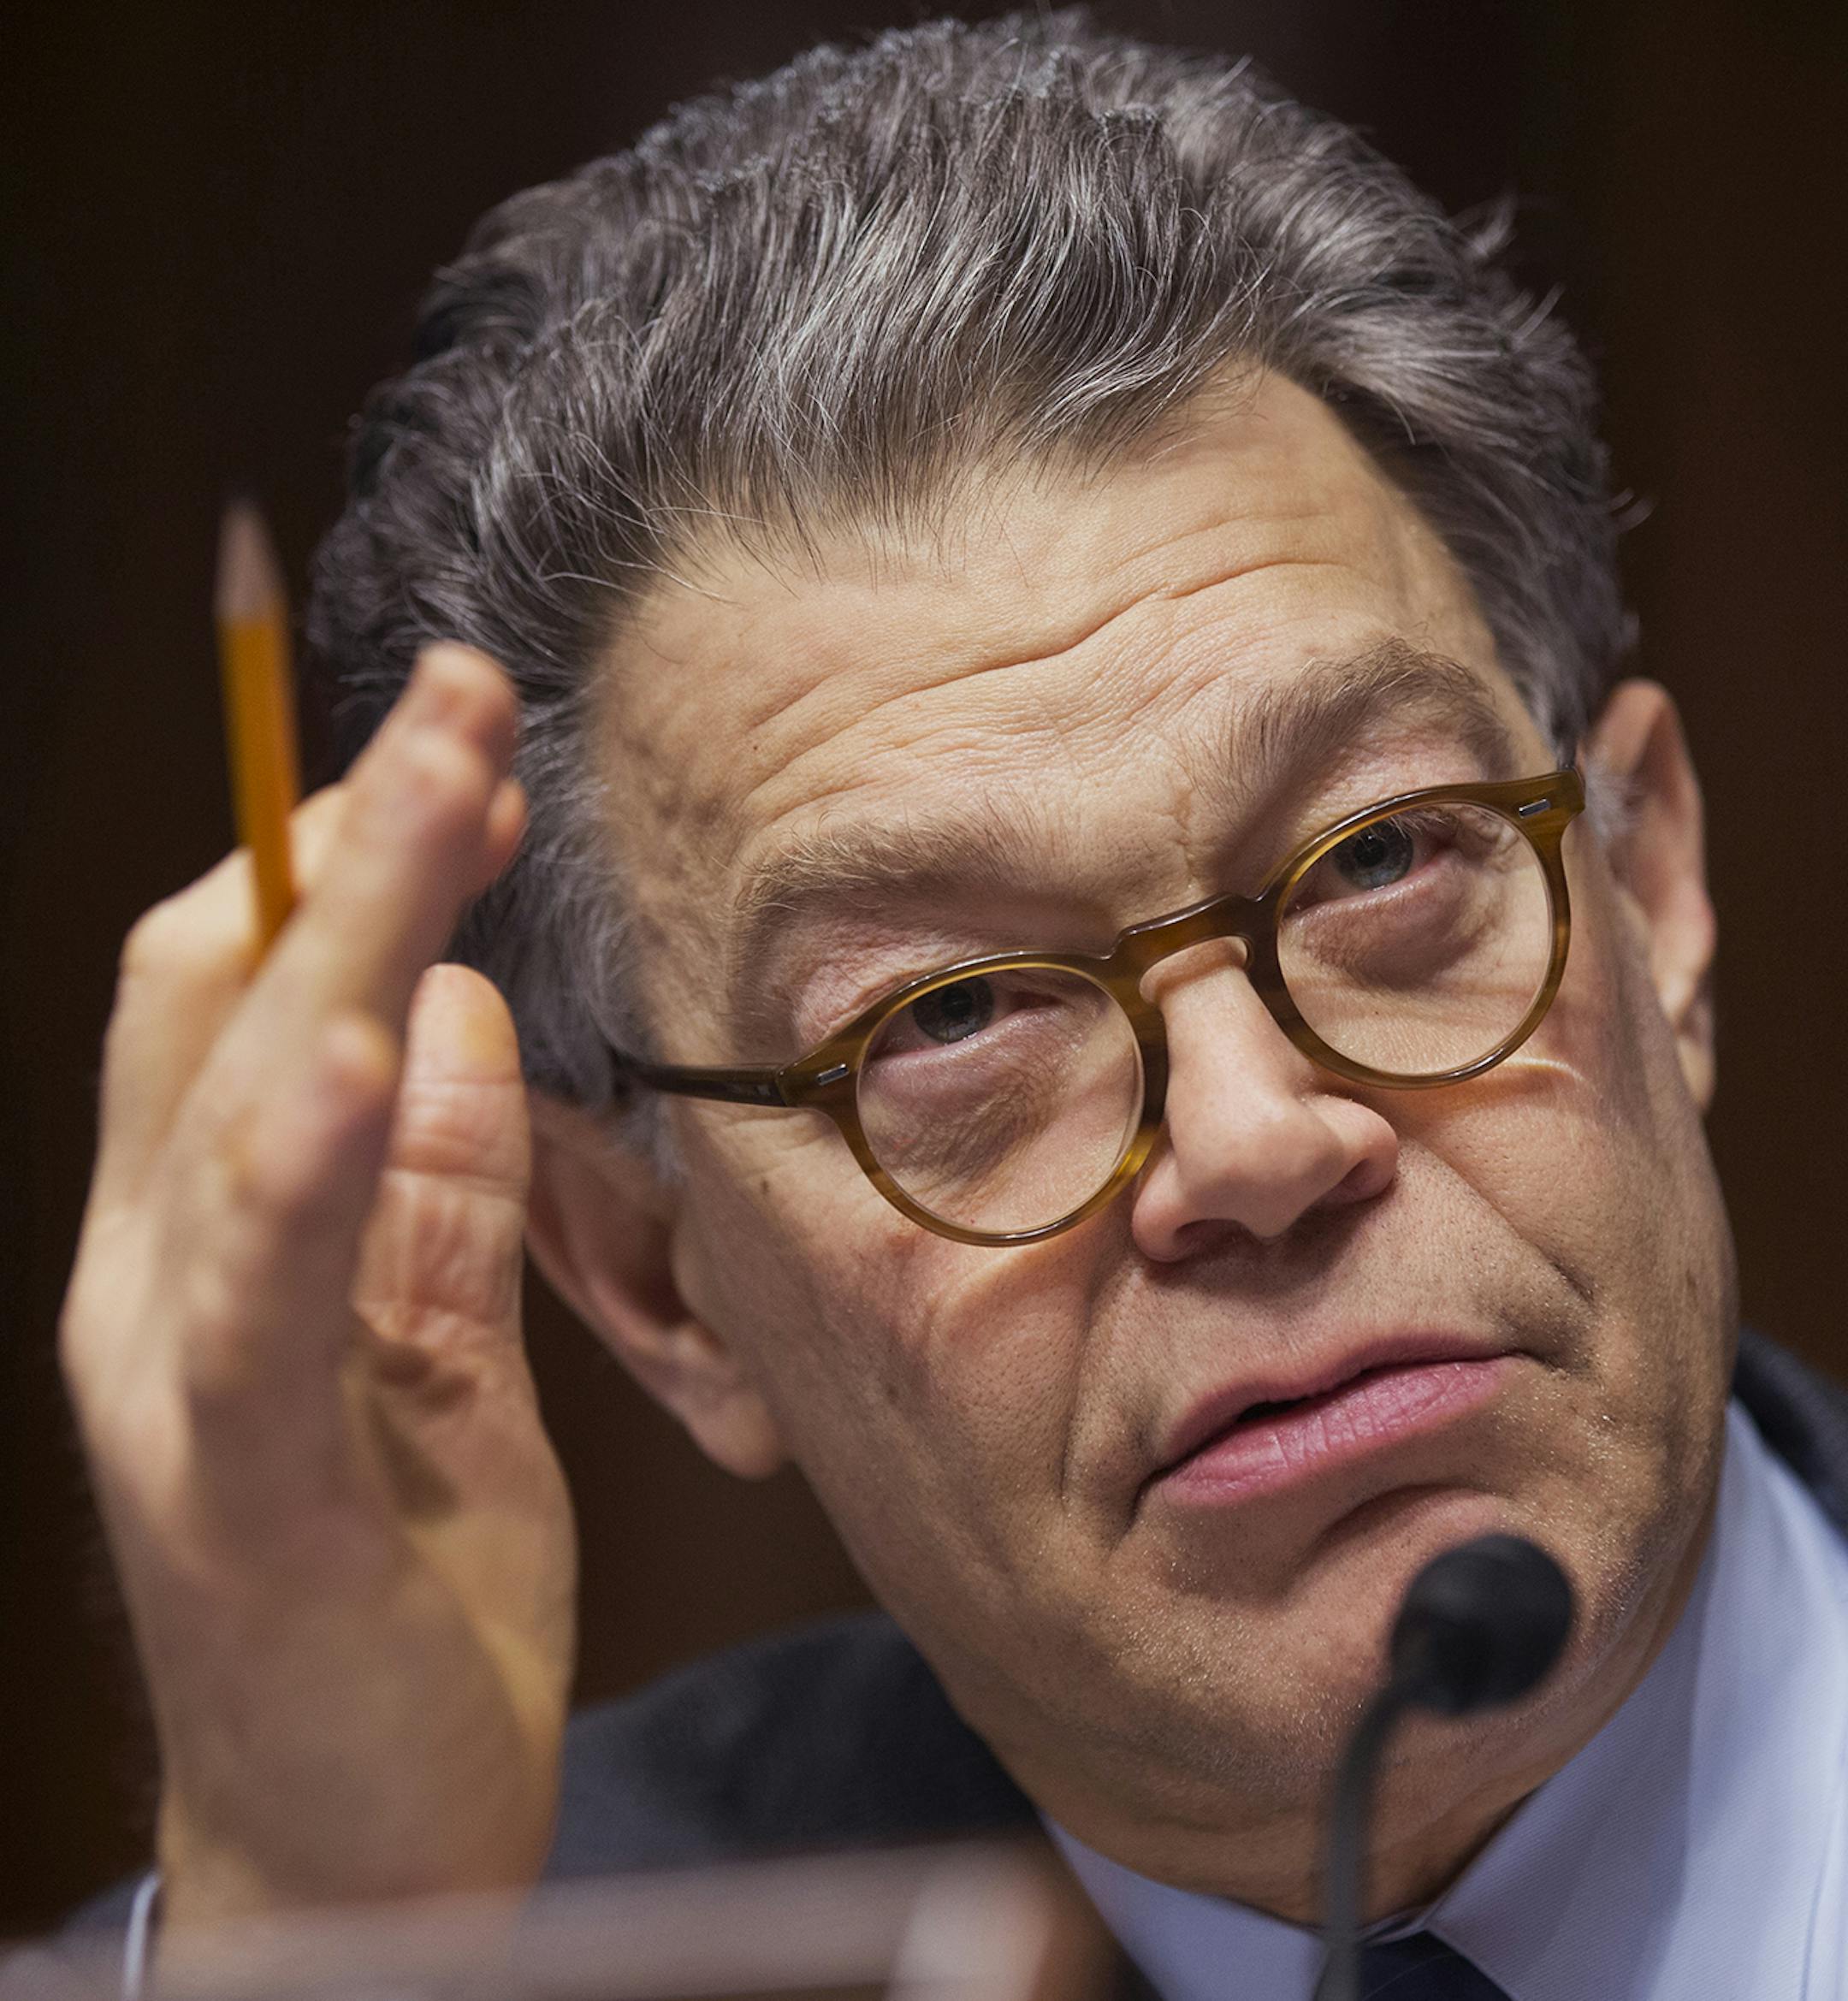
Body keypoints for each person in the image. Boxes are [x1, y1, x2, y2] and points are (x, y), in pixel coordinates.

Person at [55, 12, 1848, 1998]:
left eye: (1377, 861)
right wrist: (320, 1933)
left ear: (1654, 889)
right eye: (954, 1018)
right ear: (654, 1283)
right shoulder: (427, 1961)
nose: (1255, 1142)